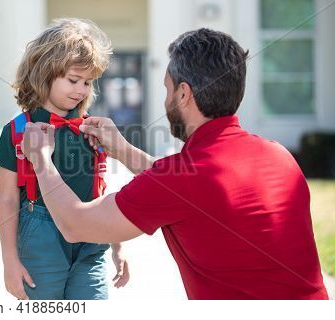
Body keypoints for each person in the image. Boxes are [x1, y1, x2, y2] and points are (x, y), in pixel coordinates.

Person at [21, 28, 329, 299]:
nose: (165, 100)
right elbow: (190, 189)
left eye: (167, 89)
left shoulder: (183, 179)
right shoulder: (280, 156)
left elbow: (76, 225)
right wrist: (123, 150)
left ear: (184, 94)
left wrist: (41, 158)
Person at [0, 18, 129, 300]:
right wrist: (9, 261)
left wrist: (117, 245)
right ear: (45, 74)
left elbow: (102, 189)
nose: (81, 90)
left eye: (88, 82)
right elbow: (7, 199)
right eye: (73, 80)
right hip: (42, 241)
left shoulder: (93, 129)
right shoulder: (18, 130)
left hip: (91, 242)